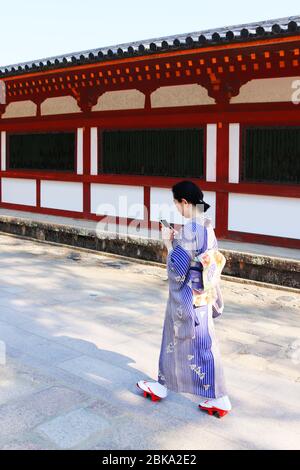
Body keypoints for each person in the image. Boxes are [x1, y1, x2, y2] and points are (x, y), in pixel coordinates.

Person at [136, 180, 231, 418]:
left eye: (177, 203)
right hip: (203, 297)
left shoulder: (191, 230)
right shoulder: (206, 226)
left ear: (185, 202)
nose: (177, 208)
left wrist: (169, 243)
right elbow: (197, 255)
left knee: (179, 341)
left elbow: (177, 269)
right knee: (203, 346)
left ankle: (166, 387)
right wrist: (179, 241)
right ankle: (216, 397)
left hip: (187, 299)